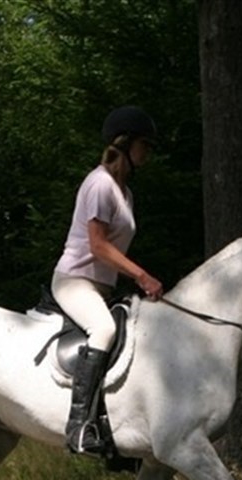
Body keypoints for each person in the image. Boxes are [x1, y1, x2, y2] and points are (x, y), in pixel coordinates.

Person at [52, 106, 164, 455]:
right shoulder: (100, 184)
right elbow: (98, 245)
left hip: (102, 286)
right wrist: (141, 275)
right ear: (125, 144)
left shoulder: (125, 192)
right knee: (104, 330)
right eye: (144, 144)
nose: (148, 152)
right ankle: (78, 427)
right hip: (74, 280)